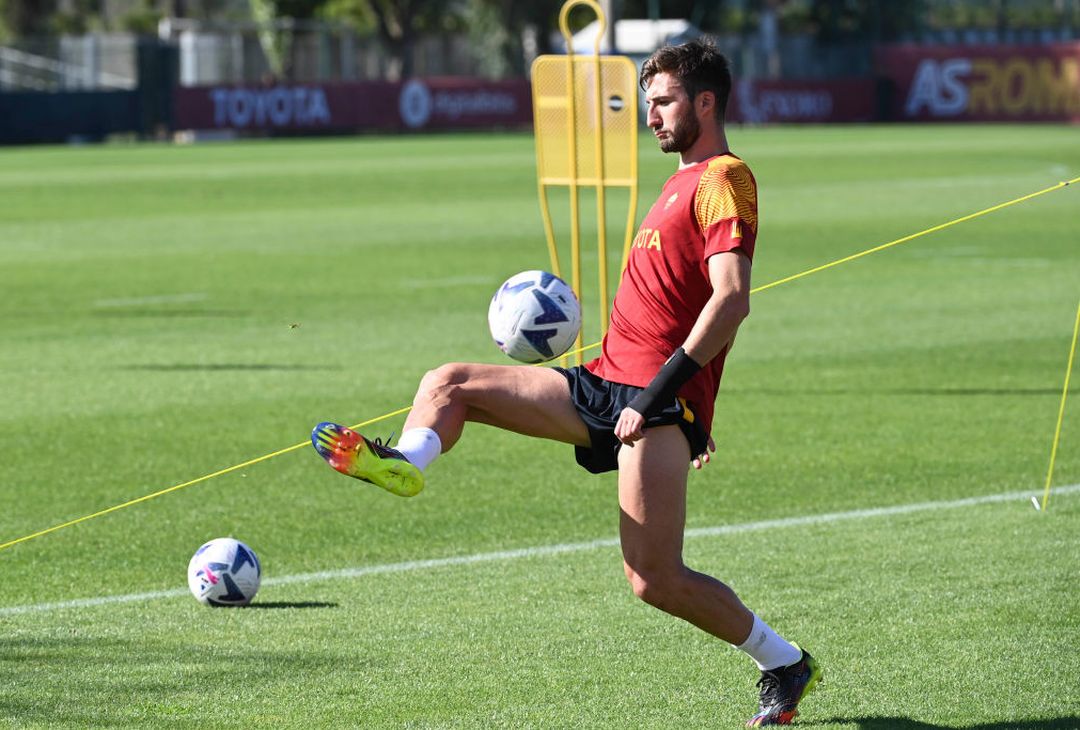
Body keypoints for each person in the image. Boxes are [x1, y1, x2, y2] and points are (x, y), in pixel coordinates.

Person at [312, 38, 821, 727]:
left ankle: (784, 662)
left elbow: (731, 300)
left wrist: (667, 400)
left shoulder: (723, 178)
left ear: (706, 102)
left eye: (664, 101)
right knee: (450, 383)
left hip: (653, 402)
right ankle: (405, 461)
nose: (651, 115)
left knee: (653, 578)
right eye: (648, 103)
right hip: (606, 381)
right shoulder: (679, 181)